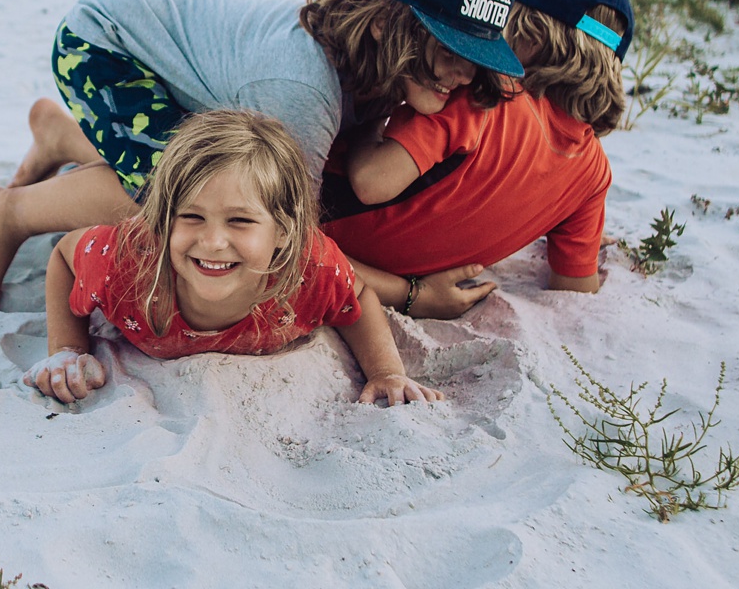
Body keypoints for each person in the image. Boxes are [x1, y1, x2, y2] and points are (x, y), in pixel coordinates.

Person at [0, 0, 524, 310]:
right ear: (390, 26)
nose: (465, 75)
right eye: (450, 50)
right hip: (102, 47)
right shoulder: (300, 90)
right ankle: (5, 212)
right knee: (184, 200)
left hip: (176, 69)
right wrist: (414, 296)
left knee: (189, 168)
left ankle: (60, 136)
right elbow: (294, 249)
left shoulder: (366, 66)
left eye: (476, 57)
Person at [22, 110, 443, 406]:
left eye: (240, 221)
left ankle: (62, 137)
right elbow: (63, 255)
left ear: (283, 232)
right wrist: (67, 348)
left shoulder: (308, 269)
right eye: (191, 217)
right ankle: (62, 140)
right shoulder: (129, 264)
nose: (214, 241)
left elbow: (359, 294)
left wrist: (386, 372)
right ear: (164, 221)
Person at [321, 0, 634, 318]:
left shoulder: (487, 94)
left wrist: (374, 116)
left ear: (530, 37)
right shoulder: (593, 176)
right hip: (381, 267)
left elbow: (370, 181)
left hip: (325, 218)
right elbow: (576, 289)